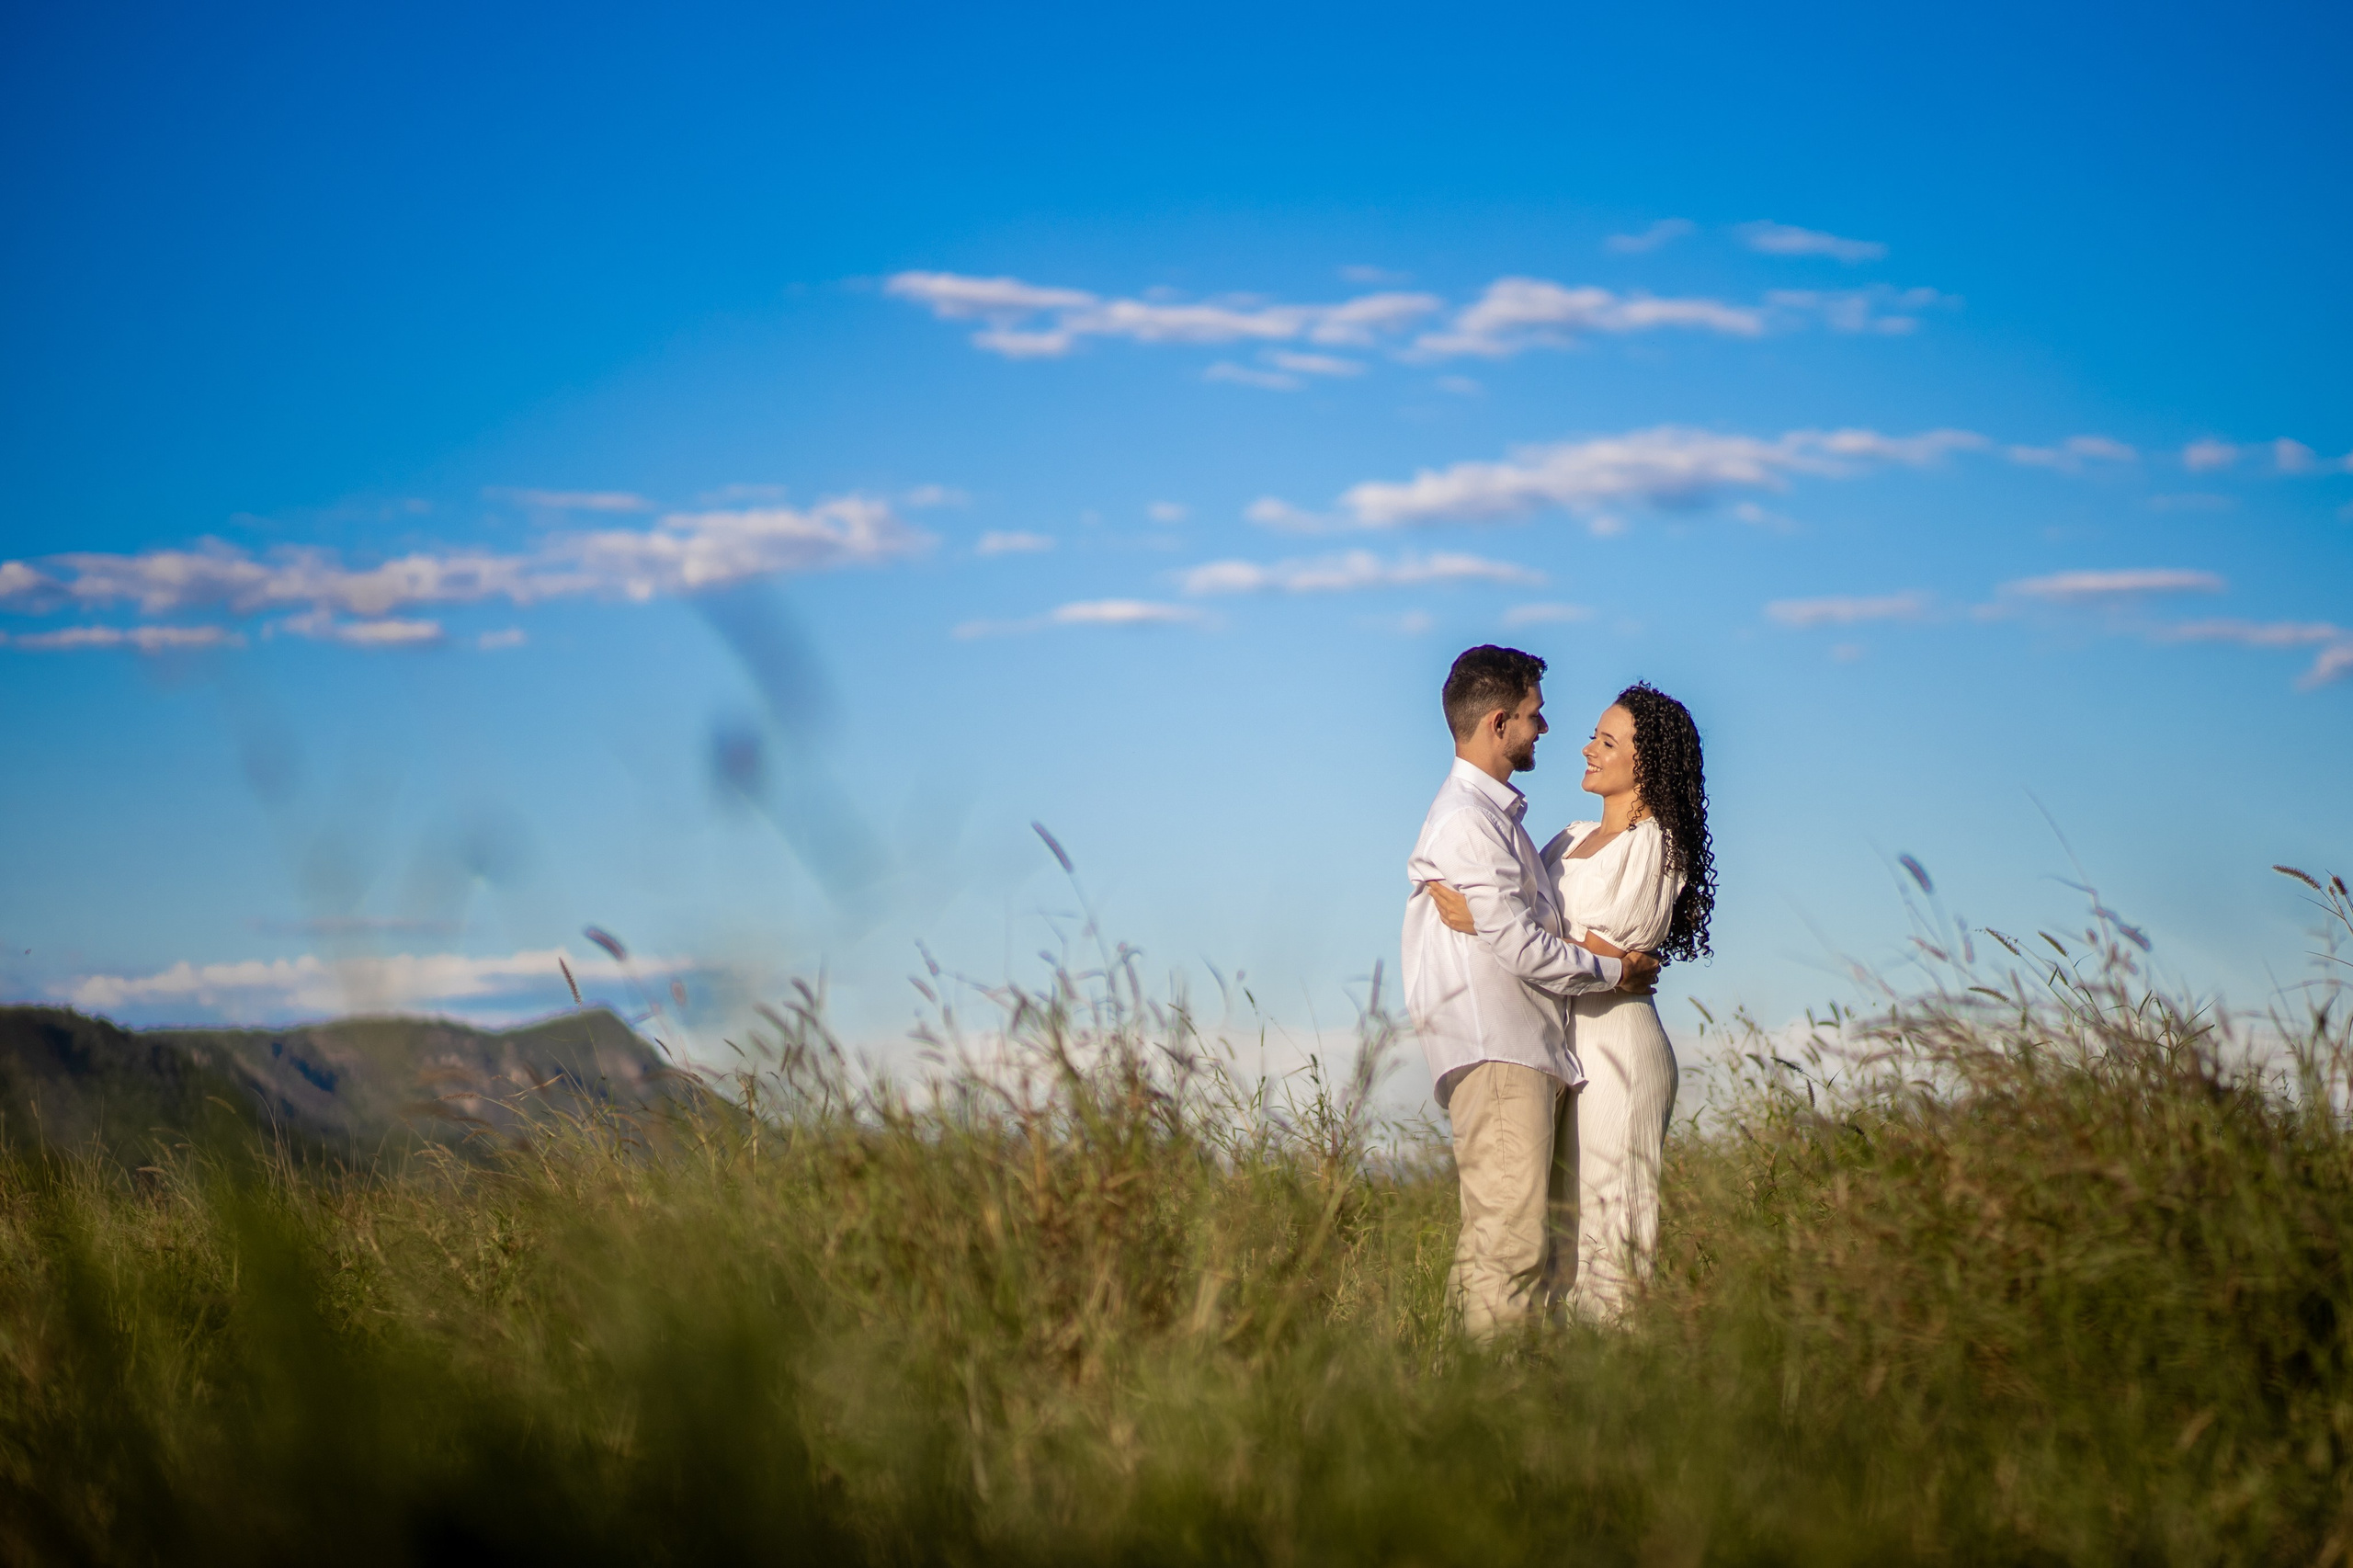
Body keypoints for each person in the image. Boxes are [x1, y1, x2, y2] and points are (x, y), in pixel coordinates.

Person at [1426, 682, 1716, 1324]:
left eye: (1606, 742)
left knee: (1612, 1231)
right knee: (1557, 1235)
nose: (1586, 749)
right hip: (1561, 1047)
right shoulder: (1567, 837)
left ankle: (1622, 1387)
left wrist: (1488, 920)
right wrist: (1508, 921)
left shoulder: (1656, 844)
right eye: (1594, 735)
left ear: (1647, 762)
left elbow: (1604, 949)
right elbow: (1557, 937)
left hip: (1617, 1049)